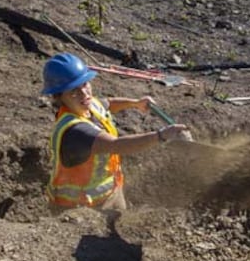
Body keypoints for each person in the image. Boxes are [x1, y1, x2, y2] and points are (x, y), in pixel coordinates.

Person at [41, 52, 188, 216]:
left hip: (110, 193)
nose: (84, 94)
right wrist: (160, 136)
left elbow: (108, 103)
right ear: (59, 97)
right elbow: (116, 145)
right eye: (73, 91)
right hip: (81, 209)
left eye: (85, 84)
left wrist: (135, 103)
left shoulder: (89, 105)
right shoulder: (75, 131)